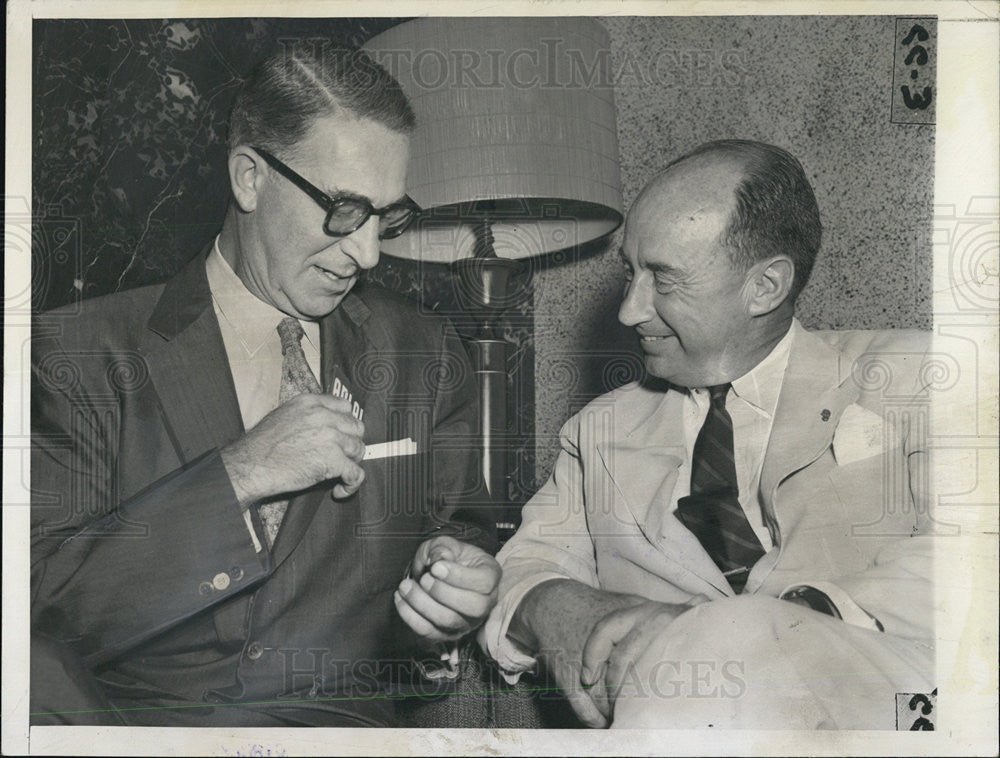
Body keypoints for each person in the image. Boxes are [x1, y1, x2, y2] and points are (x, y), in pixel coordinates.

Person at [30, 44, 500, 727]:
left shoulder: (424, 351)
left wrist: (443, 606)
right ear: (249, 178)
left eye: (387, 217)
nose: (366, 254)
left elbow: (460, 544)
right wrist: (240, 473)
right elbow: (43, 609)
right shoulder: (76, 351)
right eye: (343, 211)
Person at [480, 140, 936, 730]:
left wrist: (777, 629)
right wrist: (553, 606)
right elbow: (522, 566)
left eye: (663, 280)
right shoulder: (598, 432)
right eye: (630, 273)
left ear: (765, 286)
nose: (628, 311)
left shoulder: (921, 380)